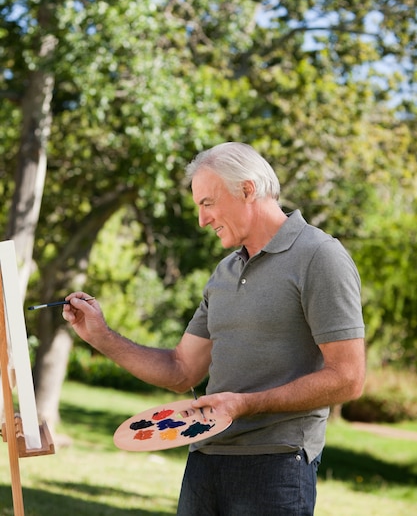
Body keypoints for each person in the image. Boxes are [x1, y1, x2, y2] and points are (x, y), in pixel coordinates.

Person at [63, 142, 366, 516]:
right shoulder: (224, 272)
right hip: (204, 459)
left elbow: (349, 377)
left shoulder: (320, 256)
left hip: (276, 465)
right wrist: (100, 337)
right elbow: (180, 370)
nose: (202, 220)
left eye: (208, 203)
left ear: (248, 190)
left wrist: (244, 405)